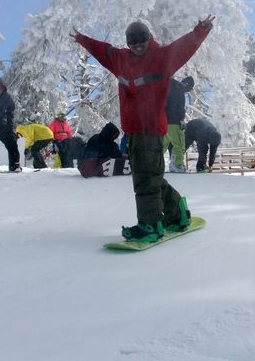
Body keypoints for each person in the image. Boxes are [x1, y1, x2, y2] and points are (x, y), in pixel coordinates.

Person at [71, 15, 215, 242]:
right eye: (133, 44)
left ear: (149, 39)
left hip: (152, 130)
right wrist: (81, 39)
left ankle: (150, 225)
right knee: (152, 177)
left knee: (144, 180)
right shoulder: (120, 59)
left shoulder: (162, 58)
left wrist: (201, 30)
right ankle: (178, 214)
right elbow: (102, 50)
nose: (138, 48)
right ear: (128, 44)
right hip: (133, 131)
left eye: (142, 43)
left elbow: (184, 47)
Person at [164, 76, 194, 173]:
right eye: (190, 88)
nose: (188, 91)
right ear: (187, 85)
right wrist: (180, 119)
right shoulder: (179, 90)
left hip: (164, 122)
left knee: (162, 145)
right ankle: (176, 165)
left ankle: (155, 164)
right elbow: (178, 108)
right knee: (179, 145)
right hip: (174, 123)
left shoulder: (171, 86)